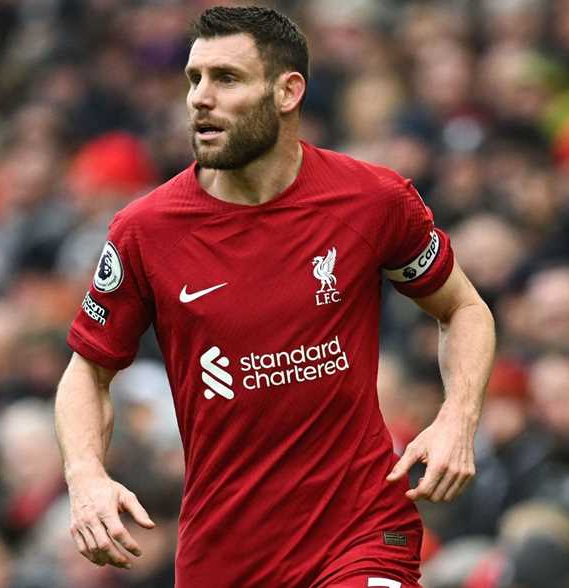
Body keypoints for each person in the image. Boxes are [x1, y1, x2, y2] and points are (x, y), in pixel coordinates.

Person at [54, 6, 496, 588]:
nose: (200, 98)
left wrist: (457, 418)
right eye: (194, 79)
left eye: (226, 78)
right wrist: (85, 476)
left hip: (360, 531)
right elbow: (88, 373)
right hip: (225, 554)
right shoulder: (146, 231)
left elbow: (463, 309)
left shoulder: (372, 200)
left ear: (288, 92)